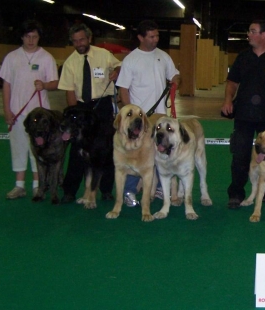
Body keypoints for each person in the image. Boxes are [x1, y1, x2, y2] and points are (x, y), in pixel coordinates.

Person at [221, 20, 265, 209]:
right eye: (249, 31)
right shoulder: (242, 57)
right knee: (240, 156)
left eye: (253, 31)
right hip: (243, 116)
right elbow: (232, 83)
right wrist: (228, 100)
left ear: (264, 35)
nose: (249, 35)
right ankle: (236, 193)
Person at [116, 19, 180, 207]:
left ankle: (160, 188)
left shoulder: (163, 56)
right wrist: (130, 117)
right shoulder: (131, 60)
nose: (155, 39)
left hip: (159, 117)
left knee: (160, 152)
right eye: (151, 36)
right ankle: (128, 191)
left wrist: (177, 79)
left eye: (157, 35)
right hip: (140, 120)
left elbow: (174, 75)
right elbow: (123, 89)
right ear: (140, 37)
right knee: (134, 155)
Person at [58, 23, 121, 204]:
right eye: (75, 41)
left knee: (106, 150)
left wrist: (117, 71)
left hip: (102, 107)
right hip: (81, 109)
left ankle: (106, 190)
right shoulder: (70, 62)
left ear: (89, 38)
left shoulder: (103, 54)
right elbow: (69, 92)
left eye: (82, 39)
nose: (79, 44)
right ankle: (70, 191)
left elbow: (119, 66)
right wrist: (74, 117)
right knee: (78, 153)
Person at [0, 20, 59, 200]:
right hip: (17, 113)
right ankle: (19, 186)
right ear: (22, 37)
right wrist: (7, 110)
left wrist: (45, 85)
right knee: (18, 148)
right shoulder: (11, 57)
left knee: (39, 150)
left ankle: (37, 185)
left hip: (41, 117)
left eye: (35, 37)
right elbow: (6, 85)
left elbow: (55, 83)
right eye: (27, 36)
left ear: (39, 37)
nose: (31, 40)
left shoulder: (47, 57)